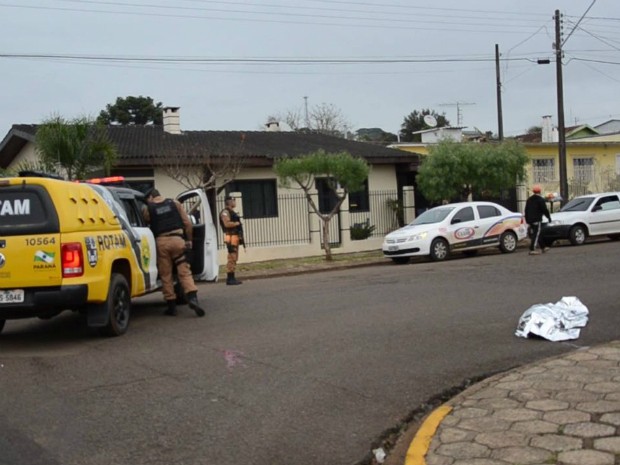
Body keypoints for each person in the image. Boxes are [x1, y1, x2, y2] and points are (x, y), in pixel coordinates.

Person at [143, 188, 205, 317]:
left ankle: (171, 306)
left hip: (161, 242)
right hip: (178, 240)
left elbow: (146, 224)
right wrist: (189, 240)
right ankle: (193, 298)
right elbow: (187, 223)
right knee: (184, 271)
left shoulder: (148, 208)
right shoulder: (175, 203)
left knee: (166, 274)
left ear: (150, 197)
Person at [219, 196, 243, 285]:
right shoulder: (225, 212)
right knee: (232, 257)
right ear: (229, 202)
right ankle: (230, 278)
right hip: (231, 237)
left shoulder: (231, 212)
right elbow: (227, 224)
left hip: (235, 236)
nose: (235, 202)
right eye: (233, 200)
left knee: (235, 257)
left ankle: (232, 277)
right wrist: (236, 223)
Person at [524, 185, 552, 255]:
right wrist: (548, 217)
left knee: (537, 233)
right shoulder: (540, 200)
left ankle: (543, 247)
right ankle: (532, 249)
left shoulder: (529, 199)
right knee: (536, 234)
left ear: (533, 191)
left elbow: (526, 210)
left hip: (530, 219)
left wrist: (527, 219)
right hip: (537, 219)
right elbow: (544, 210)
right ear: (540, 191)